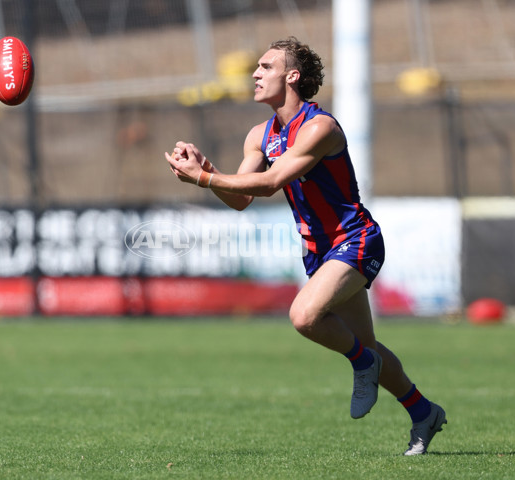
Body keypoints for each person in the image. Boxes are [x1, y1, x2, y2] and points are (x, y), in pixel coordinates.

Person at [165, 37, 446, 456]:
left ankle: (363, 364)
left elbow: (270, 182)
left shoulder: (320, 128)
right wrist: (207, 170)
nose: (255, 74)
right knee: (367, 346)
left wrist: (204, 179)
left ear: (292, 76)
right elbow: (241, 197)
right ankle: (423, 411)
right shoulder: (259, 134)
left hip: (356, 239)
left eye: (265, 66)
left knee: (304, 316)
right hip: (319, 252)